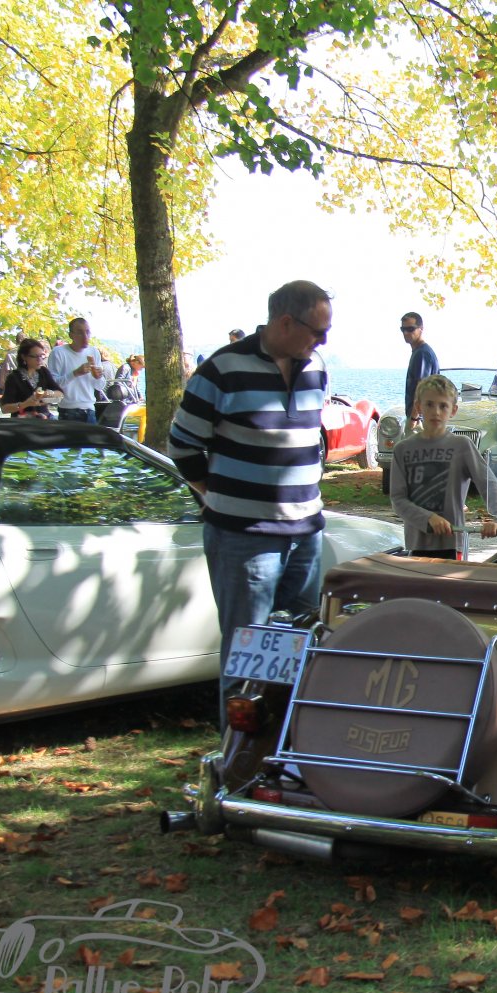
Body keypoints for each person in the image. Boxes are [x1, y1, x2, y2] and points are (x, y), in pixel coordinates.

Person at [169, 280, 333, 730]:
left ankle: (284, 751)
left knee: (297, 649)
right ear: (286, 322)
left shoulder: (316, 367)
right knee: (247, 655)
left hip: (305, 535)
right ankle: (237, 758)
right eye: (318, 331)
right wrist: (218, 496)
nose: (323, 341)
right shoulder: (221, 371)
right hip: (244, 539)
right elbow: (182, 446)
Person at [389, 374, 497, 560]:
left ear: (453, 410)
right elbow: (398, 499)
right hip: (416, 544)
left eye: (443, 406)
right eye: (429, 404)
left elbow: (489, 484)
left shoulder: (462, 446)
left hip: (452, 544)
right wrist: (428, 518)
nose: (436, 412)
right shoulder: (403, 449)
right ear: (418, 407)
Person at [47, 317, 108, 424]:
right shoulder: (59, 352)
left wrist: (98, 377)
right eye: (80, 333)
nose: (85, 336)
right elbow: (53, 384)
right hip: (68, 410)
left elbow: (100, 386)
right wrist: (75, 373)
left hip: (90, 410)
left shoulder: (93, 352)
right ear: (71, 335)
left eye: (87, 332)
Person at [0, 338, 63, 418]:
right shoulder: (14, 378)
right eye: (35, 356)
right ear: (24, 357)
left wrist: (47, 393)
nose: (39, 360)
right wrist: (26, 404)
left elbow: (60, 393)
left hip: (44, 419)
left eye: (41, 356)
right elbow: (4, 408)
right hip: (22, 421)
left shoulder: (43, 372)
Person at [401, 311, 439, 428]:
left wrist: (413, 419)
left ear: (421, 329)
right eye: (403, 329)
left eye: (410, 329)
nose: (406, 333)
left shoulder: (422, 354)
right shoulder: (419, 352)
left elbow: (422, 389)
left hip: (421, 420)